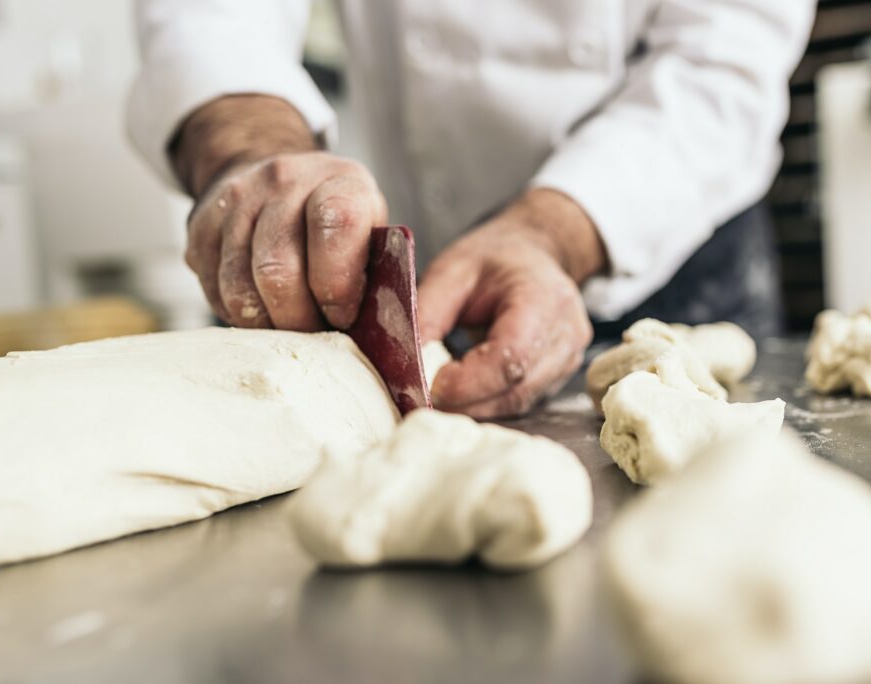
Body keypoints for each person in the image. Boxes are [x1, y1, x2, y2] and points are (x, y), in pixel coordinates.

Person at [128, 0, 815, 418]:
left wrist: (553, 234)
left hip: (665, 235)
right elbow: (210, 13)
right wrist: (252, 146)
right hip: (423, 286)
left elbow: (722, 59)